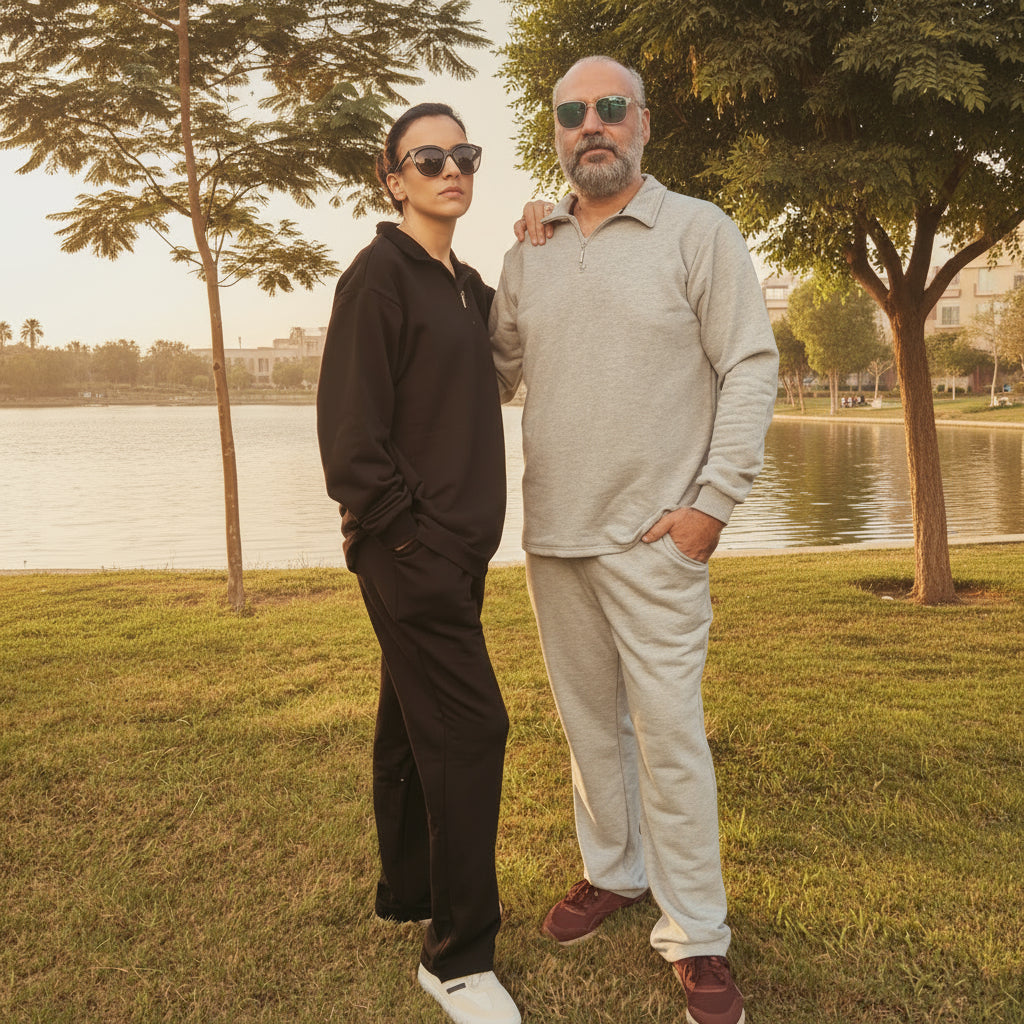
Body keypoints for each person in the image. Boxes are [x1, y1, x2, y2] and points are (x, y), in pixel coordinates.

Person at [490, 57, 779, 1024]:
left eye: (610, 109)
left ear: (644, 124)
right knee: (587, 730)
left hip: (658, 539)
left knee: (669, 739)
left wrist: (713, 505)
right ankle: (612, 872)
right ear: (558, 134)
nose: (591, 126)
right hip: (555, 536)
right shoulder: (529, 249)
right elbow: (493, 371)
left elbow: (747, 366)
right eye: (572, 114)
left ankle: (695, 933)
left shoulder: (699, 230)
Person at [316, 102, 521, 1024]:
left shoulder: (468, 287)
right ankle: (458, 954)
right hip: (414, 555)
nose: (451, 168)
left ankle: (408, 889)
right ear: (392, 176)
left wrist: (543, 242)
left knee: (410, 723)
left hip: (459, 554)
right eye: (427, 157)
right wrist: (411, 542)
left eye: (463, 154)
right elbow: (350, 445)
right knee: (471, 729)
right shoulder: (377, 281)